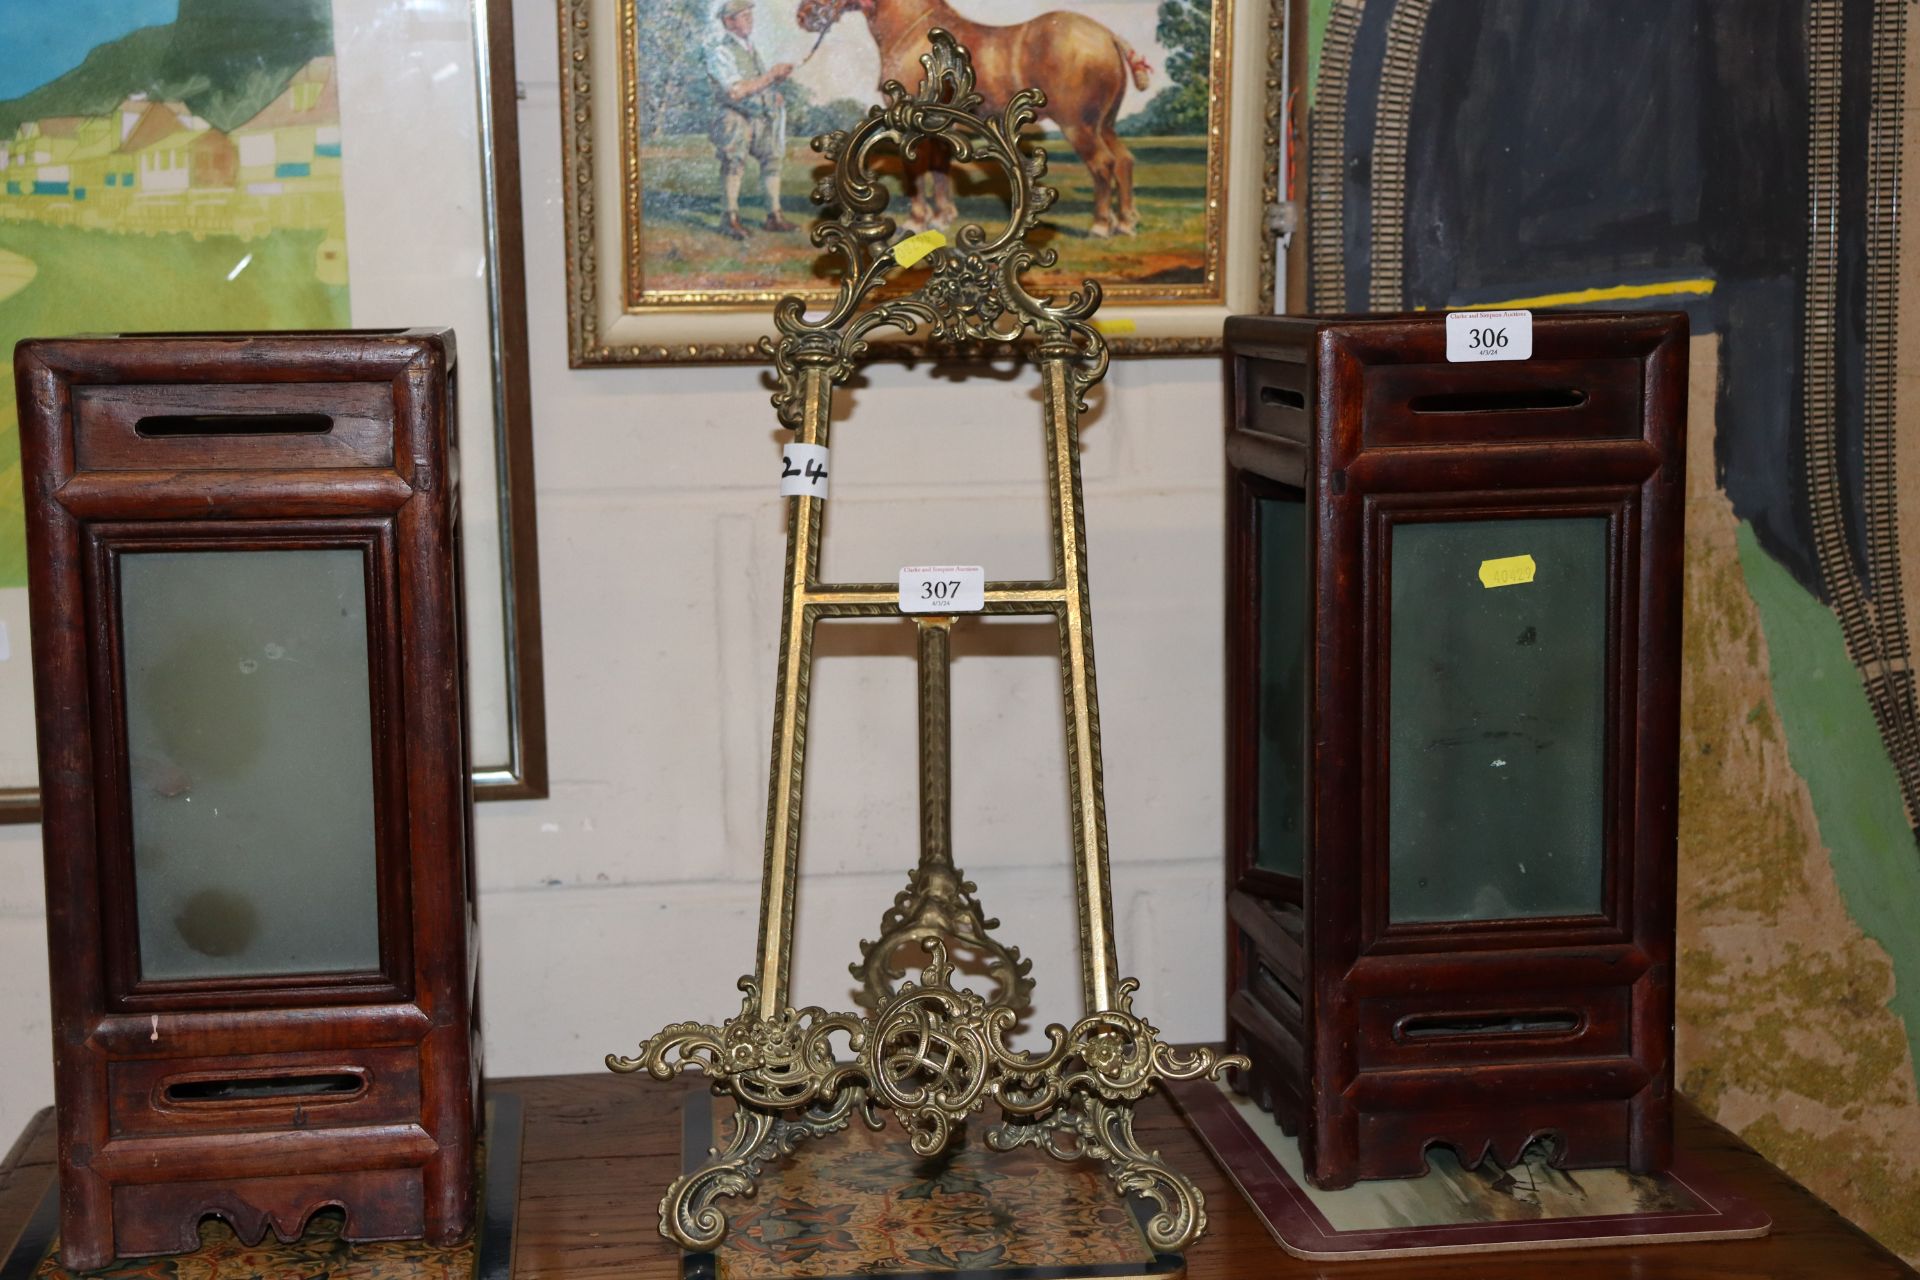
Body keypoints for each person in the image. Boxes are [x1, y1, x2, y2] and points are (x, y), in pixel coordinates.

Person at [705, 0, 795, 240]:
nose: (750, 20)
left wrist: (773, 93)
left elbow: (757, 85)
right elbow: (735, 91)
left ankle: (774, 216)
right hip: (733, 115)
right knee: (733, 162)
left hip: (759, 114)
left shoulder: (750, 48)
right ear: (728, 22)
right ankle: (729, 218)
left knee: (773, 158)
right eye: (743, 16)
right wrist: (771, 76)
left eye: (750, 16)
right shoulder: (720, 51)